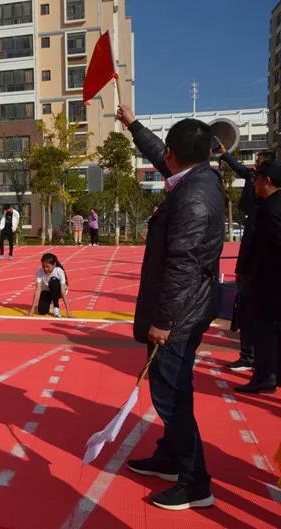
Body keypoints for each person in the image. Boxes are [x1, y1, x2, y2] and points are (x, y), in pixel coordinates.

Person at [117, 104, 222, 511]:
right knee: (173, 389)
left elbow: (181, 265)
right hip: (190, 305)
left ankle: (195, 483)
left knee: (172, 395)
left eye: (167, 153)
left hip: (180, 313)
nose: (164, 158)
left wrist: (163, 321)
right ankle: (171, 459)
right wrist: (133, 126)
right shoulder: (198, 177)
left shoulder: (192, 198)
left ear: (176, 154)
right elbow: (161, 155)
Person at [214, 145, 277, 373]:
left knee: (256, 315)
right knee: (248, 312)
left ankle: (256, 361)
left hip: (262, 275)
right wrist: (225, 154)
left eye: (259, 167)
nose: (254, 174)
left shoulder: (269, 211)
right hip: (253, 270)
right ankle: (252, 358)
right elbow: (241, 169)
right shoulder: (259, 209)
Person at [234, 161, 281, 394]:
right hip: (270, 280)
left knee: (263, 331)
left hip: (268, 282)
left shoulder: (269, 209)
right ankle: (272, 374)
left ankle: (264, 376)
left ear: (267, 181)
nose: (254, 184)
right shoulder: (269, 205)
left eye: (257, 180)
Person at [27, 253, 73, 318]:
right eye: (43, 266)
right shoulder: (39, 271)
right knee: (42, 311)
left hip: (58, 291)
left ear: (54, 265)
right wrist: (32, 309)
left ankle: (56, 308)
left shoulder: (59, 271)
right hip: (47, 291)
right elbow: (38, 290)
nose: (45, 269)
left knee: (53, 281)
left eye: (47, 266)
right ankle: (50, 302)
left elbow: (63, 291)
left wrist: (68, 311)